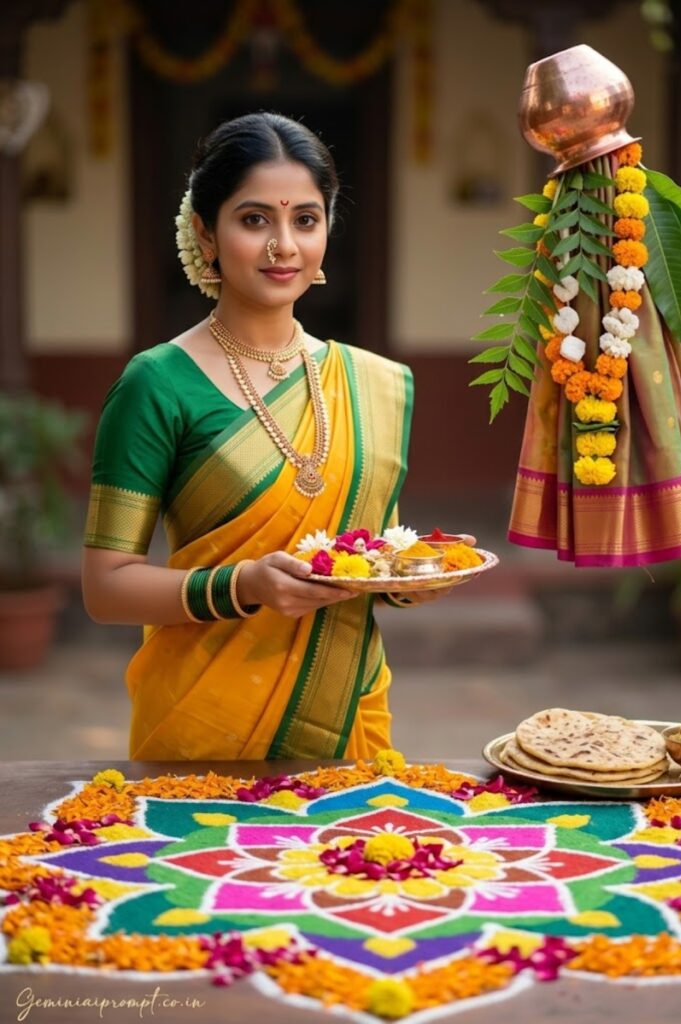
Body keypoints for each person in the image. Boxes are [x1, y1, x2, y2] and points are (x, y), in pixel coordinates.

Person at [81, 112, 441, 762]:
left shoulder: (373, 384)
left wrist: (410, 576)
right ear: (205, 233)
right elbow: (106, 588)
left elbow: (364, 553)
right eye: (254, 220)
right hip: (202, 727)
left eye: (305, 219)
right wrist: (243, 585)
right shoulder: (157, 383)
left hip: (343, 718)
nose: (284, 245)